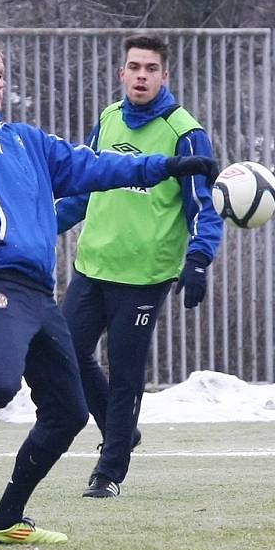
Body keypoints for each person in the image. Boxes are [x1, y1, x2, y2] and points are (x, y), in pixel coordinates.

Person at [0, 35, 218, 545]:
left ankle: (5, 521)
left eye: (0, 73)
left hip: (38, 294)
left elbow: (97, 166)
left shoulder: (28, 139)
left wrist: (165, 166)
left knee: (68, 412)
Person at [55, 34, 223, 498]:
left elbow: (202, 207)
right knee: (67, 353)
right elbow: (83, 189)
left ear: (164, 75)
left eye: (151, 68)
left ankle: (109, 473)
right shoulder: (108, 120)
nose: (142, 76)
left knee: (126, 371)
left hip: (145, 276)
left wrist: (199, 258)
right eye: (134, 67)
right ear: (122, 73)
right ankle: (121, 431)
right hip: (93, 265)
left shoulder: (185, 131)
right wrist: (38, 227)